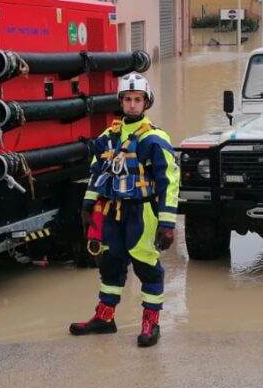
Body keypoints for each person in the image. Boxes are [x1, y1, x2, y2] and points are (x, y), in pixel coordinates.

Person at [69, 73, 181, 348]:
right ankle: (104, 318)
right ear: (121, 101)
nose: (132, 104)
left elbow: (169, 182)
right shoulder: (107, 137)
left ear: (146, 102)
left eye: (137, 99)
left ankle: (151, 323)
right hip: (110, 212)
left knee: (147, 267)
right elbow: (97, 173)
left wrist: (167, 223)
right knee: (110, 264)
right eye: (127, 99)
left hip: (141, 213)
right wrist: (87, 205)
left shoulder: (154, 139)